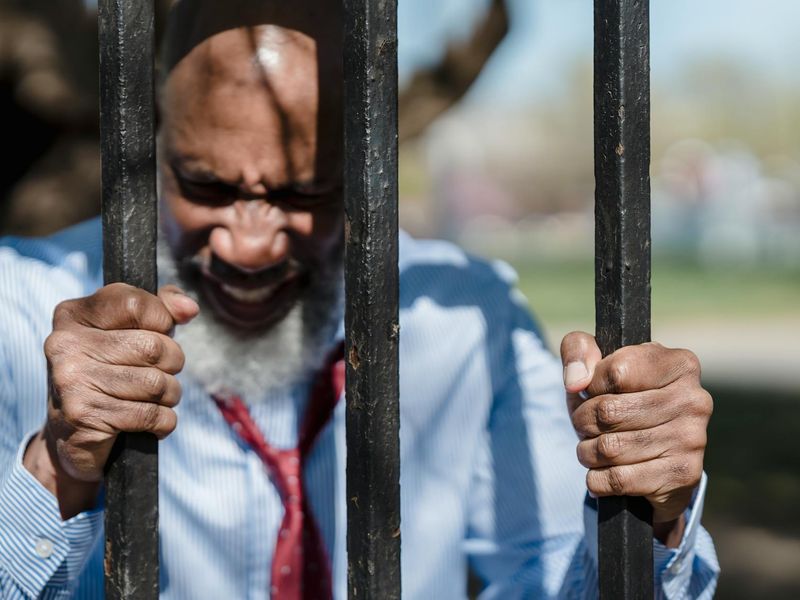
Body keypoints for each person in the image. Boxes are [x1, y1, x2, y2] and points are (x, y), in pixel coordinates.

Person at [0, 1, 719, 598]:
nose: (248, 246)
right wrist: (57, 469)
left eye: (304, 194)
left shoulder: (466, 314)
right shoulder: (23, 300)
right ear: (156, 146)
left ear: (368, 168)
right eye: (205, 187)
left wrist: (651, 514)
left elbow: (554, 575)